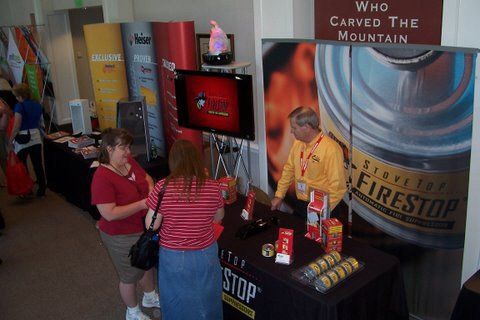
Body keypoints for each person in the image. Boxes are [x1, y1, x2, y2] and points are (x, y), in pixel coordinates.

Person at [145, 139, 224, 320]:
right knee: (208, 298)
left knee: (175, 300)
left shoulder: (162, 187)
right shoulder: (212, 185)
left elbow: (152, 225)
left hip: (173, 254)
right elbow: (219, 216)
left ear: (173, 161)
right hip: (206, 251)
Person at [91, 128, 159, 320]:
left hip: (142, 228)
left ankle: (150, 297)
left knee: (147, 264)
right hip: (120, 235)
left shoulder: (129, 162)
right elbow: (109, 214)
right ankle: (132, 311)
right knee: (129, 276)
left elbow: (147, 178)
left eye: (129, 147)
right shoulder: (102, 177)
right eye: (124, 148)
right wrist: (142, 204)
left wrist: (151, 192)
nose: (128, 152)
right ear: (109, 149)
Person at [271, 106, 347, 217]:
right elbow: (288, 171)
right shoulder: (298, 144)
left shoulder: (331, 149)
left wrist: (322, 211)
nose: (291, 131)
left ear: (306, 127)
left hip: (323, 208)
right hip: (301, 203)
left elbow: (338, 187)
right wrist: (279, 196)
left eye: (294, 128)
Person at [8, 83, 46, 197]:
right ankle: (42, 188)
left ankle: (27, 189)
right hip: (36, 137)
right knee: (38, 164)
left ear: (20, 96)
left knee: (23, 165)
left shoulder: (19, 106)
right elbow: (40, 123)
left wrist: (10, 141)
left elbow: (16, 125)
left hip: (23, 139)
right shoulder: (37, 104)